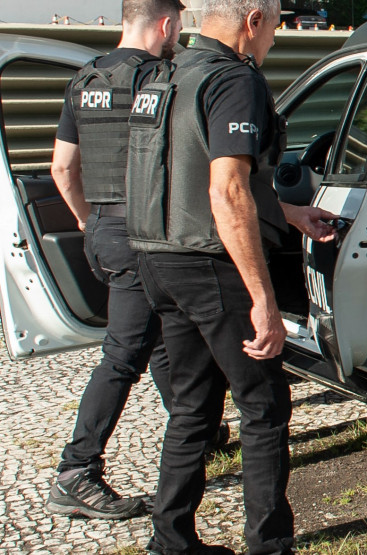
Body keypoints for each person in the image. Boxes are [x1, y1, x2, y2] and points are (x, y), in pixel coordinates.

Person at [125, 0, 337, 552]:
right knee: (263, 406)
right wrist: (263, 298)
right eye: (275, 25)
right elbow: (227, 190)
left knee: (192, 406)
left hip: (158, 260)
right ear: (252, 21)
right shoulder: (235, 82)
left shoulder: (165, 74)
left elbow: (185, 172)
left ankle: (171, 542)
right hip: (211, 265)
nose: (276, 38)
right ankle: (269, 544)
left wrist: (287, 214)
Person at [47, 0, 188, 521]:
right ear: (166, 23)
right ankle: (75, 470)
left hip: (103, 228)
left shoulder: (85, 80)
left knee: (152, 335)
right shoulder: (161, 78)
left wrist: (89, 221)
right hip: (145, 232)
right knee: (124, 354)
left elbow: (62, 168)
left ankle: (193, 426)